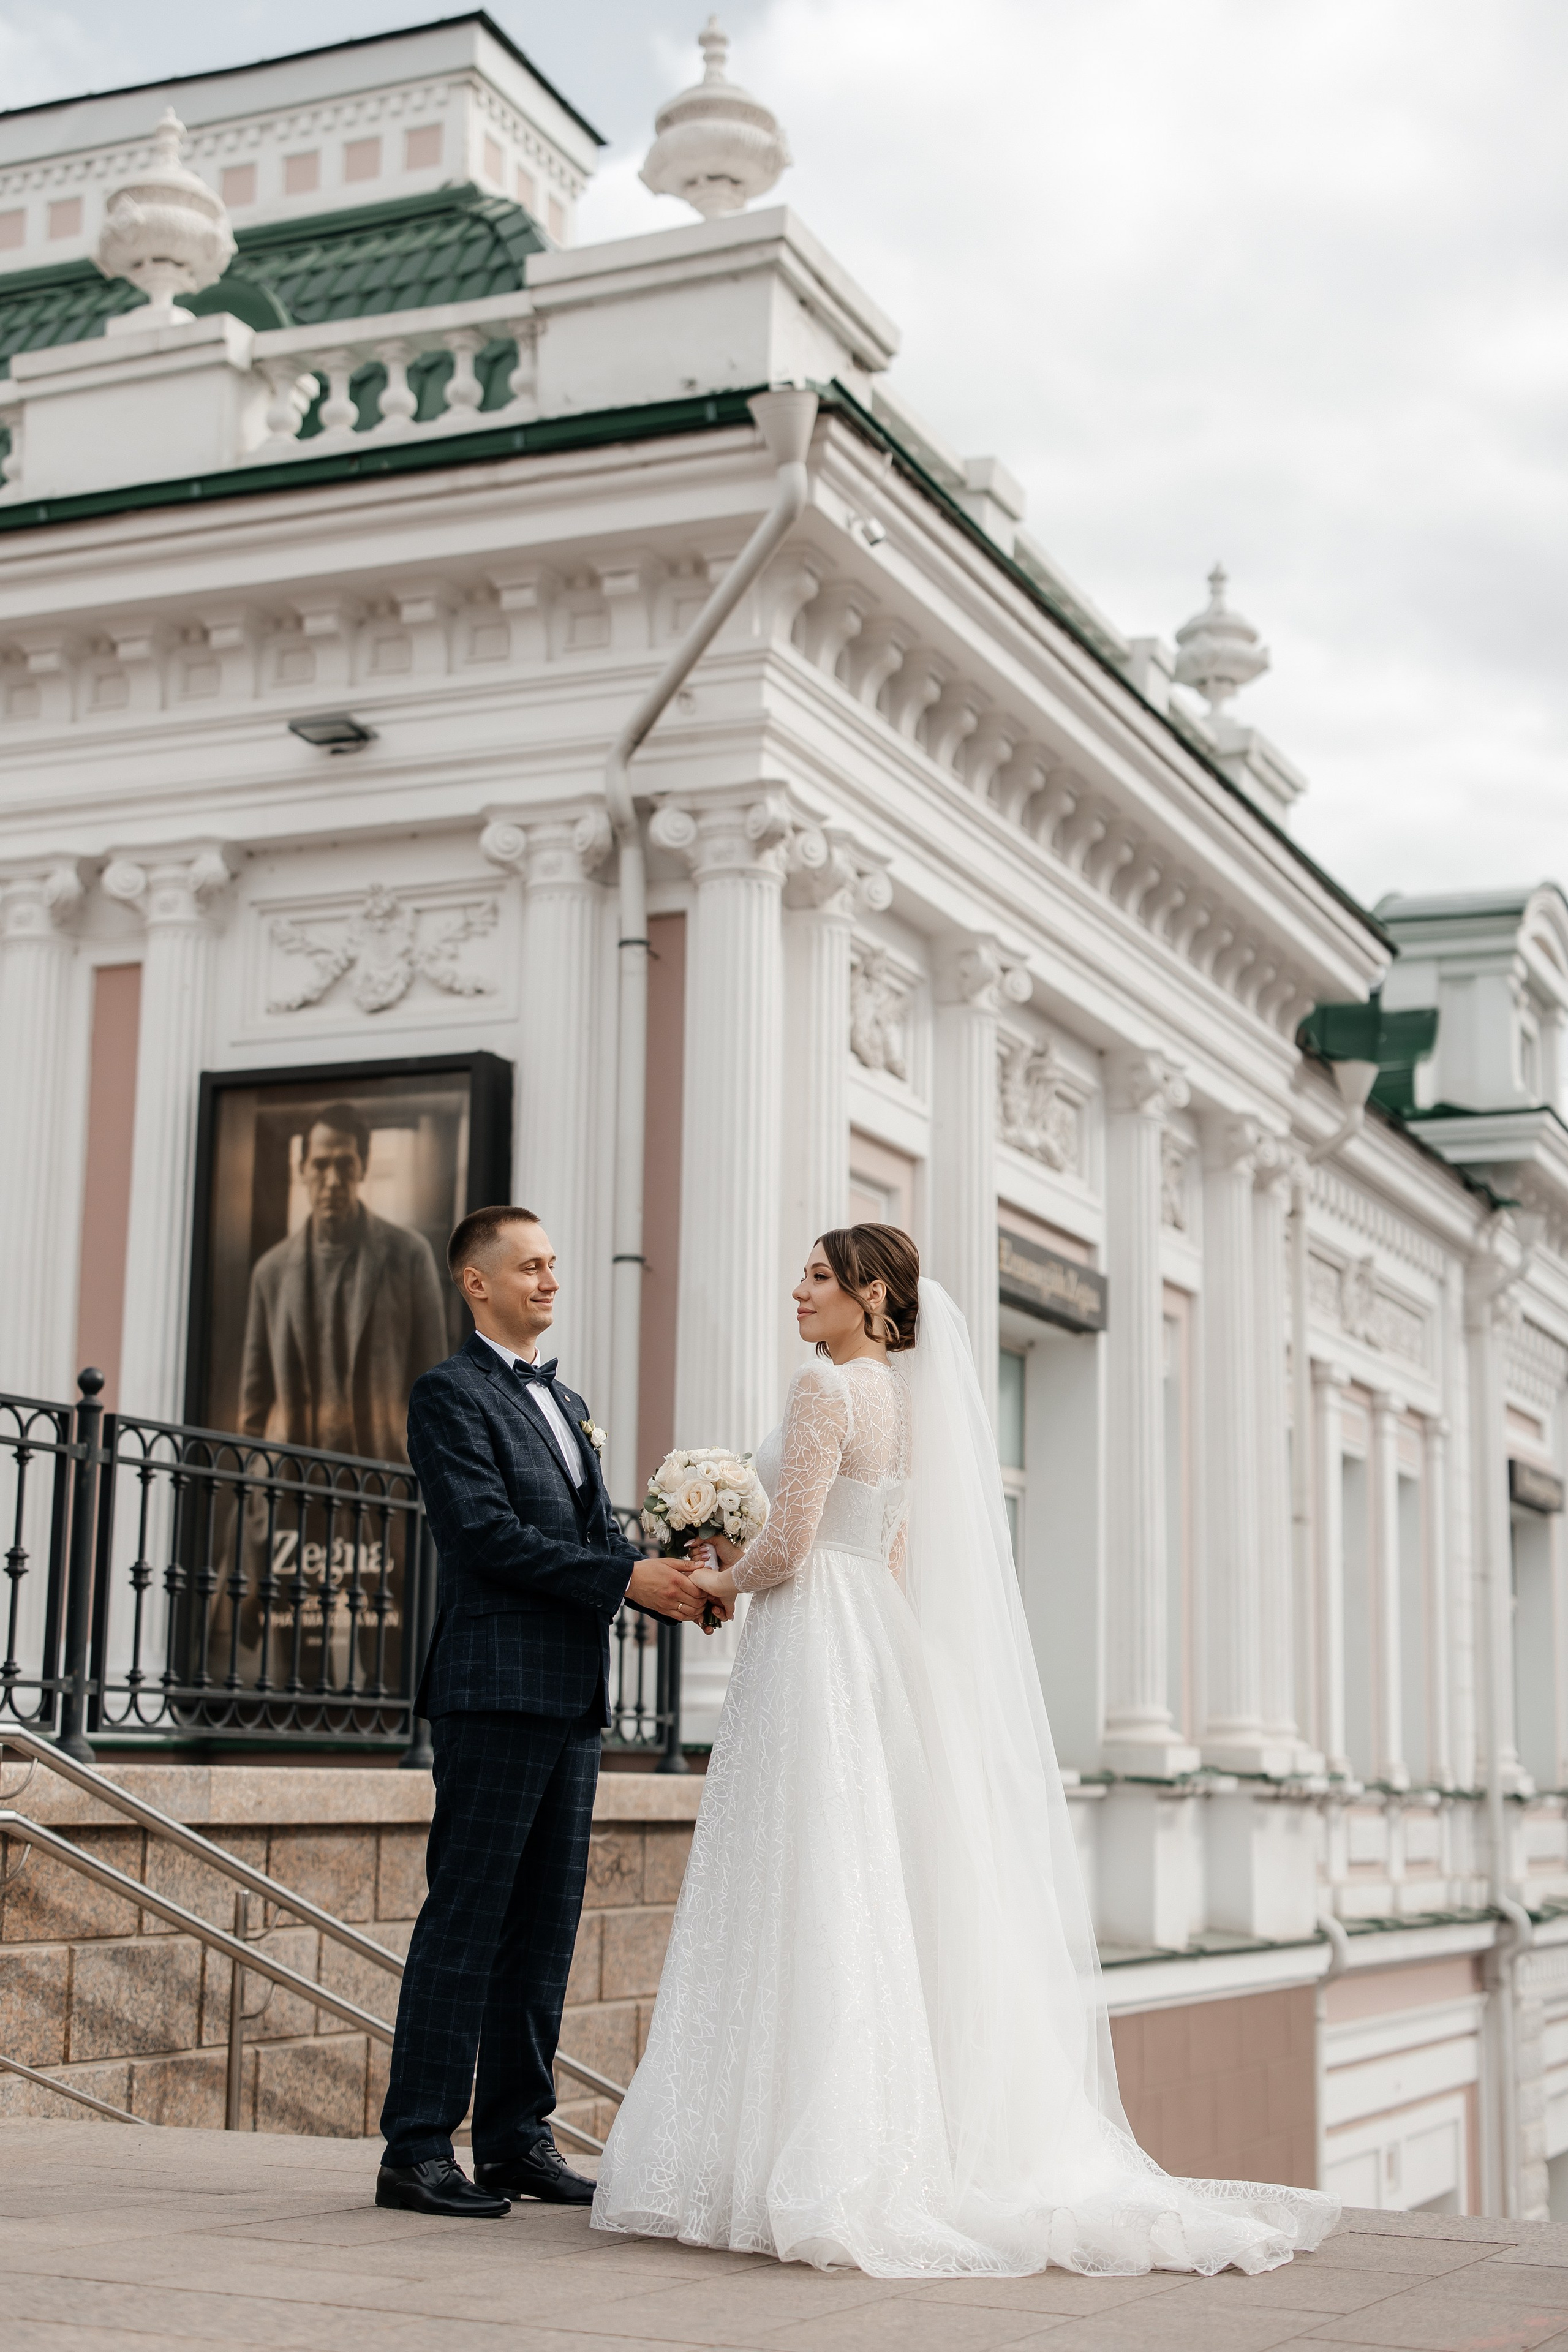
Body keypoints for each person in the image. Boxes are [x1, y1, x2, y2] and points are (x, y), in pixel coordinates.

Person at [592, 1224, 1340, 2277]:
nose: (797, 1290)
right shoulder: (899, 1400)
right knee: (857, 1876)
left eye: (818, 1277)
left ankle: (787, 2155)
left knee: (800, 1873)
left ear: (869, 1296)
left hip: (812, 1635)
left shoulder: (824, 1391)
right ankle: (857, 2143)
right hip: (863, 1633)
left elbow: (794, 1543)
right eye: (803, 1274)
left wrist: (711, 1580)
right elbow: (885, 1545)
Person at [375, 1207, 714, 2219]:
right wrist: (628, 1582)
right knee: (466, 1919)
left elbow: (583, 1532)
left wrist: (672, 1572)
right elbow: (484, 1538)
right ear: (476, 1283)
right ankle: (418, 2147)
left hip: (570, 1695)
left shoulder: (564, 1400)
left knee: (548, 1926)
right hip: (493, 1687)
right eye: (529, 1267)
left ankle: (517, 2139)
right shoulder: (450, 1395)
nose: (549, 1280)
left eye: (554, 1265)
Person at [239, 1103, 448, 1462]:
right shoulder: (270, 1272)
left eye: (345, 1165)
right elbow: (253, 1407)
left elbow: (435, 1390)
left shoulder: (409, 1256)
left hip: (380, 1478)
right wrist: (258, 1481)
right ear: (303, 1170)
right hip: (293, 1482)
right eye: (321, 1165)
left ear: (363, 1168)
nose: (333, 1181)